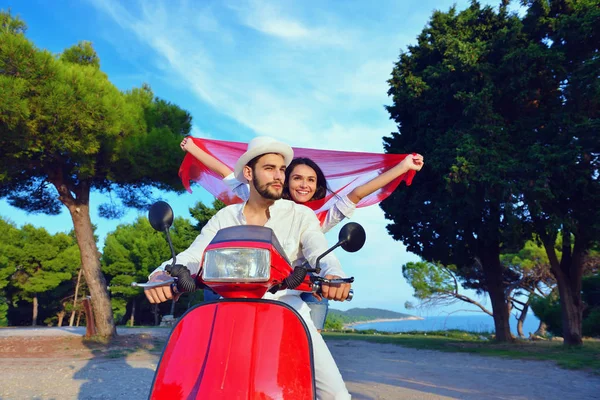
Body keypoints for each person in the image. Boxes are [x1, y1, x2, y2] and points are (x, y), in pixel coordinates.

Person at [146, 136, 353, 399]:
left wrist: (332, 274)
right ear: (248, 173)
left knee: (336, 395)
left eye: (281, 170)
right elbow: (194, 254)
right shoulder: (226, 217)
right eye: (269, 168)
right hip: (229, 310)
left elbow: (317, 250)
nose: (279, 176)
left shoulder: (300, 215)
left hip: (288, 309)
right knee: (197, 385)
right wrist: (162, 273)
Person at [180, 136, 424, 329]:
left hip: (307, 287)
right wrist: (194, 149)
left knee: (311, 347)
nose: (304, 185)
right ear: (285, 180)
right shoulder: (255, 199)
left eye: (311, 180)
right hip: (255, 285)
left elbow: (358, 193)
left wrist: (403, 167)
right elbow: (229, 174)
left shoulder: (320, 217)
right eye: (297, 177)